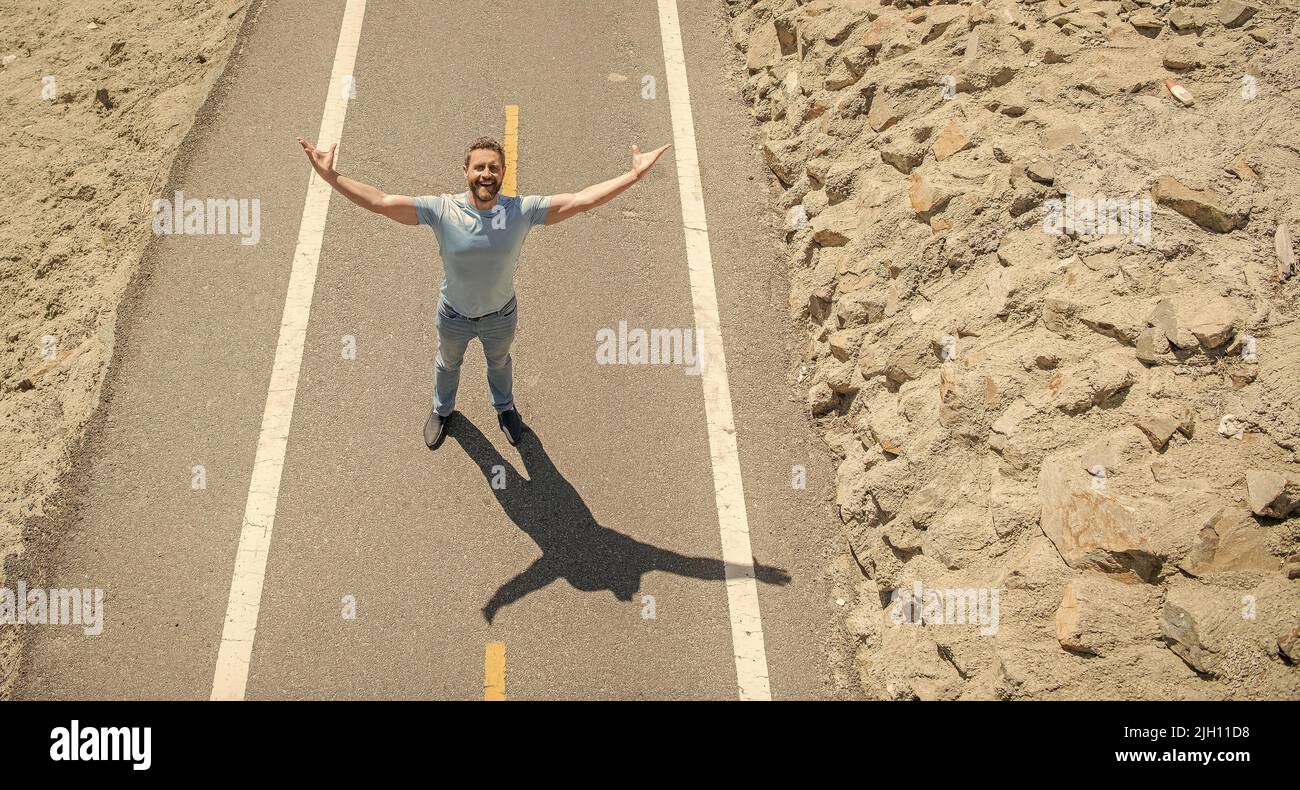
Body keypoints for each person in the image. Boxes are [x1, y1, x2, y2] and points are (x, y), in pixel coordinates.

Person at [297, 134, 670, 448]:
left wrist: (633, 176)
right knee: (447, 364)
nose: (486, 173)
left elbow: (581, 200)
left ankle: (504, 408)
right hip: (454, 316)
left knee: (500, 363)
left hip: (500, 316)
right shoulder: (442, 210)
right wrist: (331, 177)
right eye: (479, 167)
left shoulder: (521, 210)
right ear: (466, 172)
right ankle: (443, 410)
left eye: (493, 167)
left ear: (503, 173)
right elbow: (380, 202)